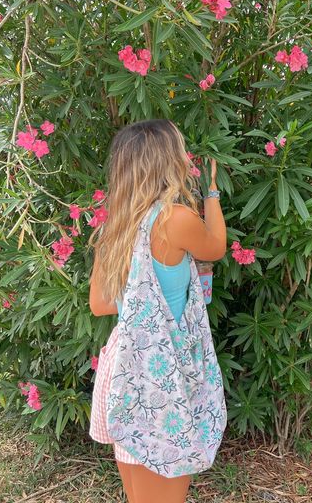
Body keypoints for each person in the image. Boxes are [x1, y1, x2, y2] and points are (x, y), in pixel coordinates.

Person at [87, 119, 226, 503]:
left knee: (140, 493)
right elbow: (214, 247)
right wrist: (211, 193)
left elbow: (99, 305)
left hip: (124, 364)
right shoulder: (173, 219)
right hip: (160, 373)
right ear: (167, 162)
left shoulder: (114, 227)